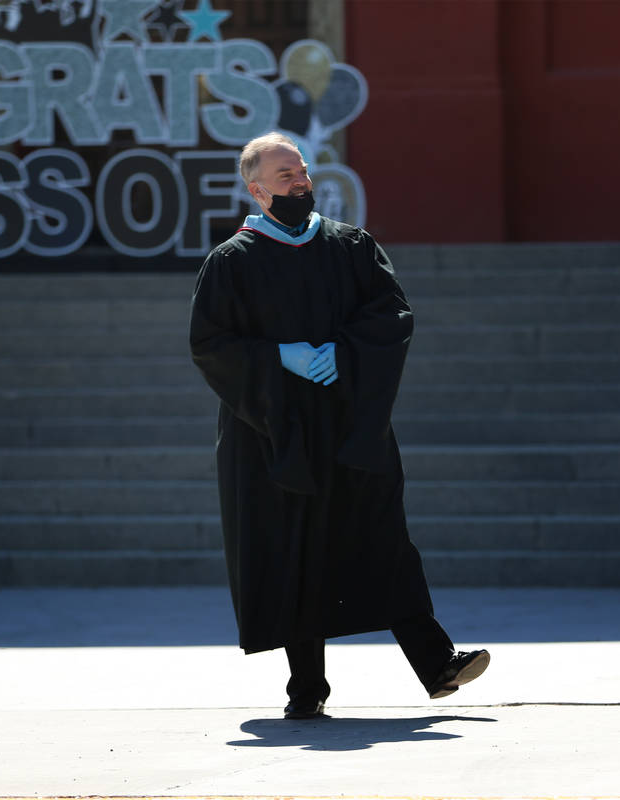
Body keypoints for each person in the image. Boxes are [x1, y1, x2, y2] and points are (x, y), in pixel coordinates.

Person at [189, 132, 489, 720]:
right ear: (256, 191)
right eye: (284, 177)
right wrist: (281, 356)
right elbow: (210, 344)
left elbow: (390, 314)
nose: (300, 182)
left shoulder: (349, 247)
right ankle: (306, 691)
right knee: (295, 550)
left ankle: (437, 664)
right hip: (277, 433)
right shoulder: (232, 262)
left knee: (384, 542)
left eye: (301, 171)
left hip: (351, 423)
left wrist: (343, 351)